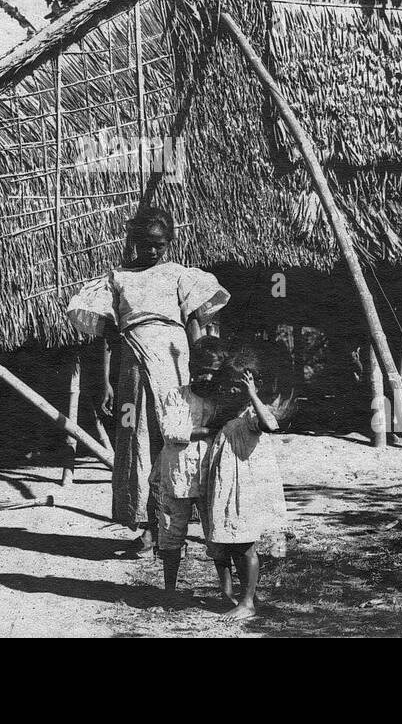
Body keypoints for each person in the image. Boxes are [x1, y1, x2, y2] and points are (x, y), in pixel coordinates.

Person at [66, 208, 229, 554]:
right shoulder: (118, 278)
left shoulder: (178, 276)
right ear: (135, 243)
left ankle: (180, 528)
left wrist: (202, 367)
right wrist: (108, 382)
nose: (153, 251)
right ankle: (151, 528)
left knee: (176, 438)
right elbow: (110, 337)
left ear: (168, 244)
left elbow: (194, 326)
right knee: (138, 441)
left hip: (174, 365)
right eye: (146, 244)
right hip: (133, 371)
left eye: (159, 245)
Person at [201, 358, 287, 619]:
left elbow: (270, 424)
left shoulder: (251, 413)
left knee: (244, 545)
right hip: (227, 489)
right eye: (228, 387)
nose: (230, 392)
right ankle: (241, 595)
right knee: (233, 543)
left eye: (238, 388)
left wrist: (252, 395)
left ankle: (247, 602)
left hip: (245, 491)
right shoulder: (227, 415)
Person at [153, 338, 226, 601]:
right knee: (172, 533)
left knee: (217, 535)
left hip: (211, 478)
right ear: (190, 367)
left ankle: (226, 591)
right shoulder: (175, 395)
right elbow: (171, 432)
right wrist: (209, 431)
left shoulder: (221, 400)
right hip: (177, 477)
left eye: (213, 372)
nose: (206, 377)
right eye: (201, 370)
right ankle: (170, 592)